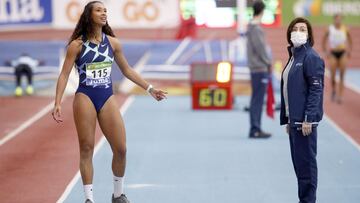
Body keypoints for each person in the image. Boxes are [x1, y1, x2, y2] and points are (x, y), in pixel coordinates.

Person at [51, 1, 167, 203]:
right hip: (85, 96)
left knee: (121, 149)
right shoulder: (76, 45)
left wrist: (150, 89)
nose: (104, 13)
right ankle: (89, 199)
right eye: (99, 10)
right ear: (89, 15)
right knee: (86, 148)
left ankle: (117, 194)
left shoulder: (113, 43)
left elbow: (127, 70)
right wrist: (58, 102)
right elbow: (63, 75)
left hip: (106, 96)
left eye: (105, 10)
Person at [280, 17, 325, 203]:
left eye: (303, 29)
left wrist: (309, 118)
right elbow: (290, 90)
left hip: (305, 123)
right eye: (295, 28)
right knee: (299, 169)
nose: (298, 31)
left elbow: (316, 89)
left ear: (308, 35)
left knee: (306, 171)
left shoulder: (311, 57)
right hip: (295, 122)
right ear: (290, 33)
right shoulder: (293, 57)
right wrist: (289, 119)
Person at [246, 1, 271, 138]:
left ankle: (256, 128)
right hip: (259, 67)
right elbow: (260, 48)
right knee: (257, 100)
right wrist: (268, 62)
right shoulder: (256, 29)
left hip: (256, 67)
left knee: (257, 99)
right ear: (262, 11)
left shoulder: (252, 27)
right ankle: (255, 129)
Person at [322, 14, 352, 104]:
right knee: (333, 75)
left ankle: (340, 95)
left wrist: (349, 50)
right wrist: (325, 51)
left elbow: (350, 40)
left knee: (342, 75)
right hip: (333, 53)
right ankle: (334, 90)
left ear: (341, 20)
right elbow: (324, 40)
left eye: (340, 19)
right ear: (334, 20)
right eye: (337, 19)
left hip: (342, 52)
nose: (338, 21)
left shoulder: (345, 29)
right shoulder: (330, 29)